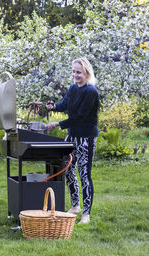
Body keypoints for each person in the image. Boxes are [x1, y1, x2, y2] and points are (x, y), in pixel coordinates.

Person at [46, 57, 100, 224]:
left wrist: (57, 124)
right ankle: (75, 205)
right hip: (72, 136)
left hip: (86, 137)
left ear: (87, 73)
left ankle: (86, 213)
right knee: (68, 169)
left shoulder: (91, 92)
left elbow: (79, 117)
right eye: (74, 72)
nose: (76, 75)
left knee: (84, 174)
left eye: (79, 72)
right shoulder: (72, 88)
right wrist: (53, 106)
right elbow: (64, 105)